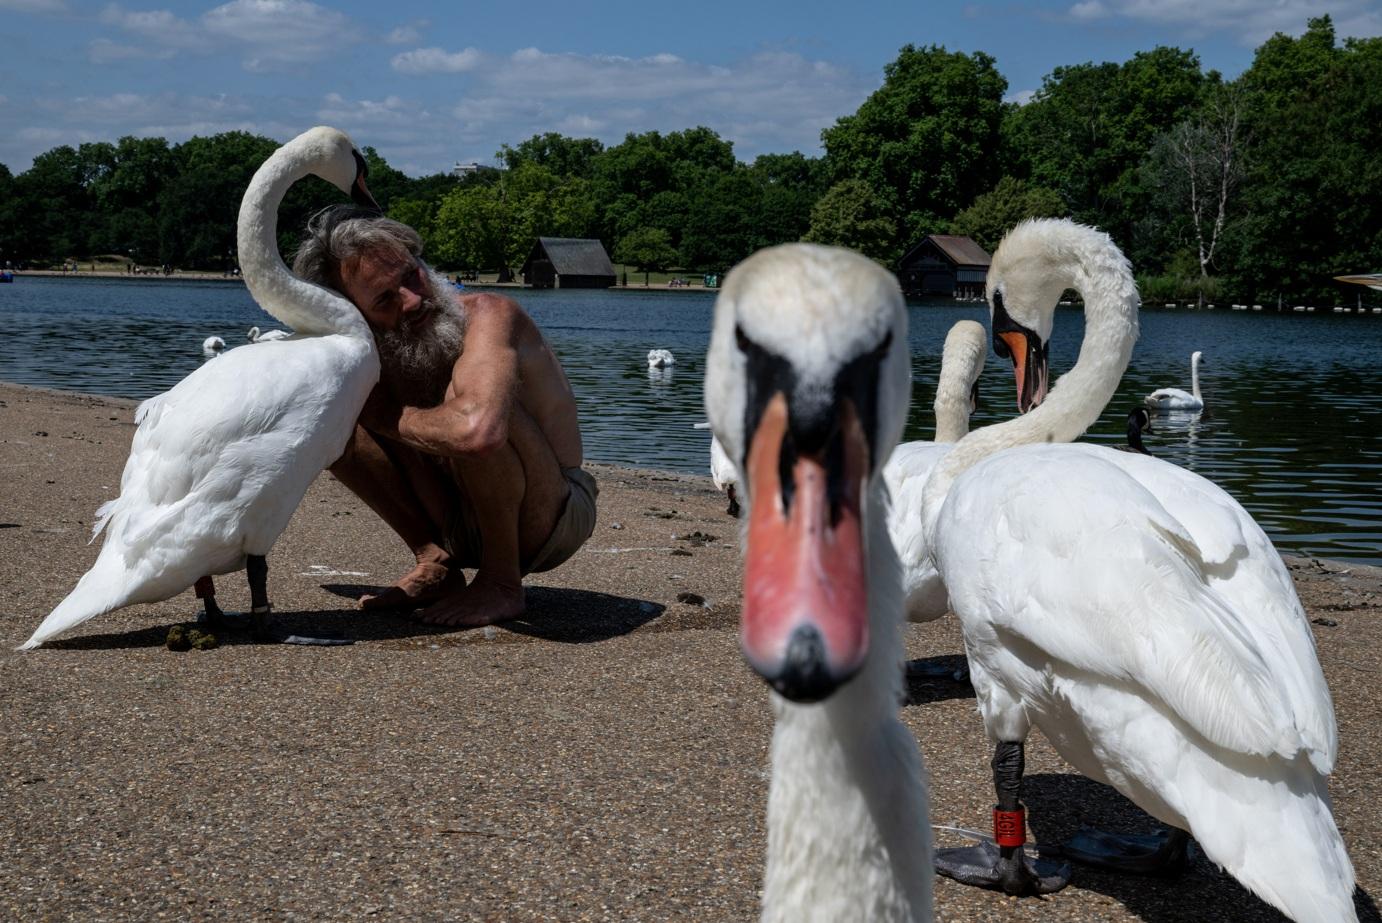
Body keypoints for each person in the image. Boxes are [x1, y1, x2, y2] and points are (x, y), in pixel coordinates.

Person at [292, 206, 596, 627]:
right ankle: (435, 561)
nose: (413, 300)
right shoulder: (377, 344)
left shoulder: (490, 314)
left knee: (472, 406)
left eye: (411, 275)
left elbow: (478, 433)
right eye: (385, 299)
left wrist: (385, 417)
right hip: (458, 515)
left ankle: (501, 582)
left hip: (551, 517)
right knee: (335, 405)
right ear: (355, 314)